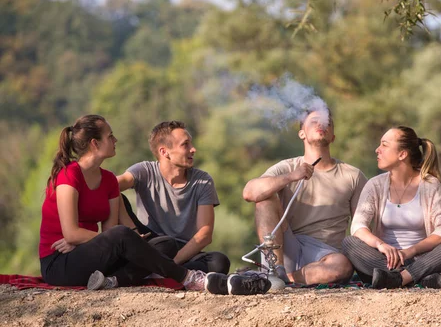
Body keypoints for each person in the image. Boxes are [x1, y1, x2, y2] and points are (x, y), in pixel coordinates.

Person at [39, 114, 268, 295]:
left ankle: (118, 279)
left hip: (97, 260)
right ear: (94, 144)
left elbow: (108, 234)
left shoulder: (108, 179)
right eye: (110, 136)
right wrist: (91, 239)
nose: (116, 140)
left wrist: (122, 241)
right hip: (60, 261)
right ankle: (189, 279)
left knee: (190, 252)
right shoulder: (69, 175)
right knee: (131, 237)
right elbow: (72, 233)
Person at [243, 109, 368, 285]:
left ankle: (282, 280)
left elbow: (361, 225)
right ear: (302, 133)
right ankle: (275, 269)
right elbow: (249, 193)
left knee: (343, 266)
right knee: (264, 199)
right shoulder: (287, 167)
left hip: (327, 255)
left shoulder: (353, 175)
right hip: (287, 247)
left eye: (327, 122)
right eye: (314, 121)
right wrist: (290, 177)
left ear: (333, 136)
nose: (321, 124)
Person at [342, 126, 441, 289]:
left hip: (423, 260)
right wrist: (381, 245)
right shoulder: (375, 185)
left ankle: (398, 279)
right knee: (349, 242)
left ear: (402, 154)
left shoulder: (430, 185)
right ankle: (419, 278)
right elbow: (358, 226)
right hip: (384, 262)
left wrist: (410, 251)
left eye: (384, 145)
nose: (377, 150)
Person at [117, 121, 230, 275]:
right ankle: (166, 274)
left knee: (219, 262)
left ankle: (154, 273)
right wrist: (134, 230)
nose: (193, 149)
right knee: (117, 197)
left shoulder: (203, 180)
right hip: (151, 244)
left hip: (183, 252)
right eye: (185, 144)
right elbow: (111, 186)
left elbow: (205, 235)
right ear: (164, 152)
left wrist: (171, 264)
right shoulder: (144, 171)